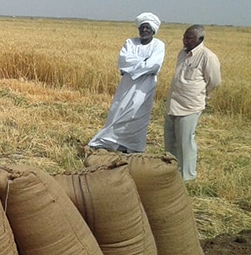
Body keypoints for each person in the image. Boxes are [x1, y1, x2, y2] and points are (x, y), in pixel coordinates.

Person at [88, 13, 165, 153]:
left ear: (153, 30)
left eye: (147, 28)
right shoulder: (130, 42)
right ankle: (110, 143)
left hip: (145, 86)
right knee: (118, 110)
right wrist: (144, 63)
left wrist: (133, 65)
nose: (144, 30)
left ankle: (133, 147)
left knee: (137, 112)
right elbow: (123, 61)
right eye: (142, 27)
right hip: (127, 84)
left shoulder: (158, 45)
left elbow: (154, 65)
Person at [163, 25, 221, 181]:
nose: (185, 41)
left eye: (190, 38)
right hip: (173, 103)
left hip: (190, 106)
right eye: (184, 37)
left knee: (185, 143)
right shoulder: (182, 54)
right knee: (170, 141)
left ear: (200, 39)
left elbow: (214, 82)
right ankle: (172, 173)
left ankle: (187, 177)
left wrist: (203, 96)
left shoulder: (207, 57)